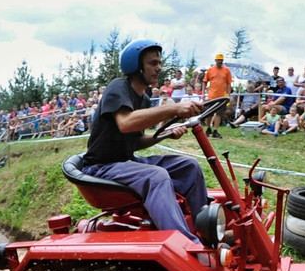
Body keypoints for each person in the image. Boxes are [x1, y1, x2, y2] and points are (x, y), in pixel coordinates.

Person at [81, 39, 206, 243]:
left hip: (125, 162)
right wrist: (173, 108)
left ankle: (205, 229)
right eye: (152, 63)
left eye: (159, 63)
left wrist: (165, 134)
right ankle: (185, 244)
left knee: (189, 166)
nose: (158, 68)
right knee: (156, 176)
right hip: (101, 166)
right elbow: (125, 123)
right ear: (136, 65)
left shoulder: (144, 99)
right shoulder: (118, 87)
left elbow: (137, 141)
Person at [203, 53, 233, 138]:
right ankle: (208, 128)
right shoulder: (210, 70)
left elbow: (229, 83)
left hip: (222, 96)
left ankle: (215, 131)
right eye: (218, 60)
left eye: (221, 60)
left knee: (219, 113)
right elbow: (204, 81)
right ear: (215, 60)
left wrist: (228, 95)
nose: (220, 61)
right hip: (211, 96)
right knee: (209, 113)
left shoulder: (227, 70)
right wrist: (203, 93)